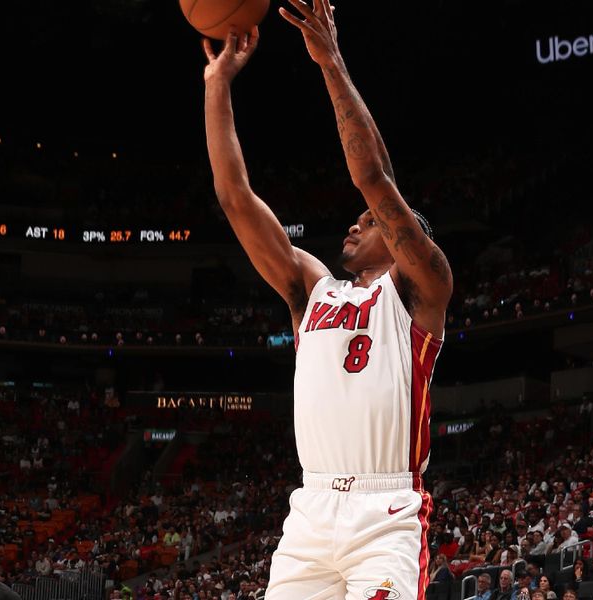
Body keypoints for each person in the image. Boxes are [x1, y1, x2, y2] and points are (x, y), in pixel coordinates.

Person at [201, 0, 453, 597]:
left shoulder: (422, 288)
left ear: (401, 235)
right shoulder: (312, 289)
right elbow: (235, 197)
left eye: (368, 223)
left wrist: (331, 62)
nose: (353, 226)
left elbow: (374, 177)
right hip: (310, 509)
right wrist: (217, 88)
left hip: (385, 509)